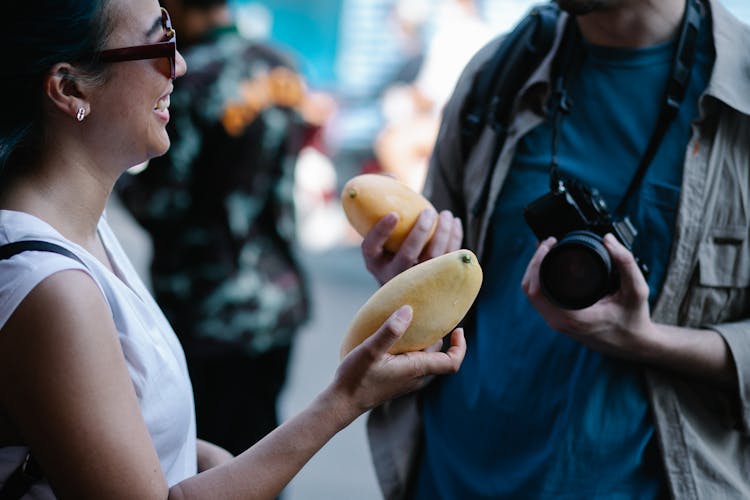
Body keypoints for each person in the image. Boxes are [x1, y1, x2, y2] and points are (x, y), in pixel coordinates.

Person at [0, 0, 467, 498]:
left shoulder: (83, 234)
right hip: (272, 297)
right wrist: (347, 398)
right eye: (159, 42)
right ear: (69, 87)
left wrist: (197, 456)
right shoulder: (53, 288)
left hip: (214, 303)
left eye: (174, 36)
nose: (178, 64)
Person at [360, 0, 750, 498]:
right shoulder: (500, 70)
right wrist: (407, 274)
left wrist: (646, 340)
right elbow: (439, 280)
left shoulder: (738, 86)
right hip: (447, 473)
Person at [115, 0, 331, 456]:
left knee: (217, 459)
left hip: (209, 308)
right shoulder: (282, 64)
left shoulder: (190, 81)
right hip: (278, 295)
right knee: (263, 448)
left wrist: (107, 169)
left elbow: (161, 203)